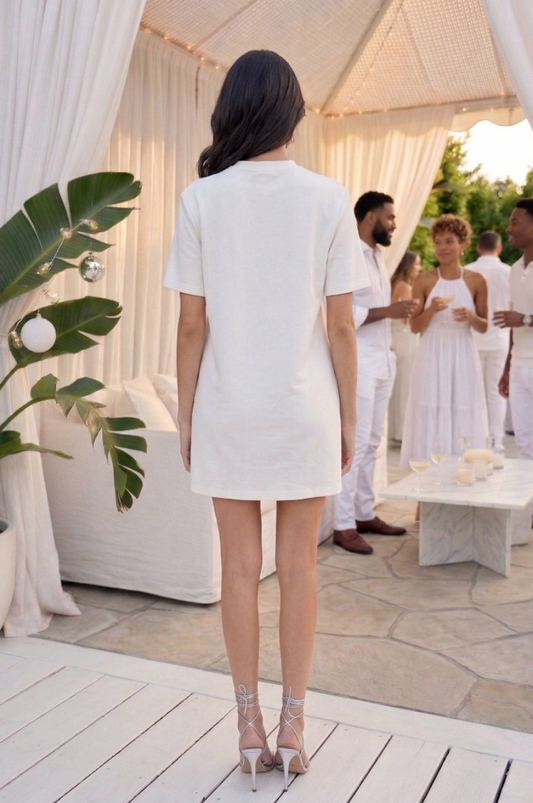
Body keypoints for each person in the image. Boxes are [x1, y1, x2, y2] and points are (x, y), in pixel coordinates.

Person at [163, 50, 368, 791]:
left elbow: (192, 326)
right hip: (302, 409)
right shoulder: (326, 197)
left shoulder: (201, 198)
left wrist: (185, 417)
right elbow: (341, 327)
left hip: (228, 411)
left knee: (242, 574)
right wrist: (347, 416)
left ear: (231, 108)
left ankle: (247, 726)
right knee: (301, 569)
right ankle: (294, 724)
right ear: (291, 110)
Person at [333, 192, 418, 555]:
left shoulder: (379, 256)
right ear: (370, 217)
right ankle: (343, 525)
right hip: (359, 364)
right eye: (391, 217)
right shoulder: (347, 254)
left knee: (372, 443)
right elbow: (342, 315)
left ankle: (365, 512)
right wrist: (389, 311)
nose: (395, 224)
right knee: (354, 443)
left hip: (383, 361)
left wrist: (395, 311)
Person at [400, 214, 488, 467]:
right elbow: (415, 326)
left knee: (462, 408)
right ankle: (425, 487)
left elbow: (484, 326)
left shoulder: (477, 281)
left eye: (449, 241)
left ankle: (463, 476)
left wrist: (471, 317)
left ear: (463, 245)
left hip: (462, 353)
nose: (442, 248)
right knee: (430, 410)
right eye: (438, 242)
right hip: (431, 353)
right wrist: (430, 311)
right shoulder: (424, 280)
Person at [495, 199, 533, 459]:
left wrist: (526, 320)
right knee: (525, 445)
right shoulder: (514, 270)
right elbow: (512, 323)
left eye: (515, 222)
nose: (508, 228)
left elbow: (519, 318)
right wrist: (507, 368)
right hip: (519, 365)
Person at [465, 231, 510, 448]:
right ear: (498, 248)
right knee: (496, 391)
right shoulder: (509, 272)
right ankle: (496, 440)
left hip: (474, 336)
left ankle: (475, 438)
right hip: (500, 339)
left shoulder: (469, 271)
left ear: (478, 247)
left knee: (474, 390)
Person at [388, 250, 422, 442]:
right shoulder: (405, 287)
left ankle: (397, 430)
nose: (419, 268)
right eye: (417, 264)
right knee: (405, 385)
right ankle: (402, 432)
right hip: (405, 337)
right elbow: (409, 318)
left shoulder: (394, 283)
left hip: (396, 337)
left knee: (399, 385)